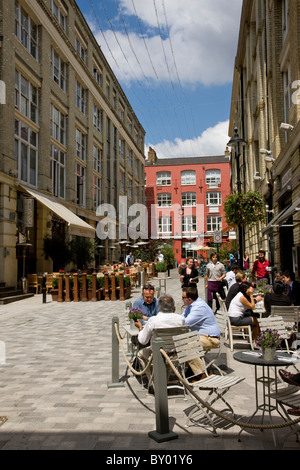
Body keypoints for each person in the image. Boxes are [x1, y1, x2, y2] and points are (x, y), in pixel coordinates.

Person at [134, 294, 185, 383]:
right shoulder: (180, 319)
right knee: (168, 353)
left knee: (140, 354)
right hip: (175, 353)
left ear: (159, 306)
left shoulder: (153, 320)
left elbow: (143, 340)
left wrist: (140, 328)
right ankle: (164, 379)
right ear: (173, 306)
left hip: (157, 354)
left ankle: (153, 381)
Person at [182, 287, 220, 379]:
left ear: (189, 299)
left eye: (183, 297)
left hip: (210, 338)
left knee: (187, 346)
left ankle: (202, 374)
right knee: (182, 342)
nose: (182, 299)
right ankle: (190, 372)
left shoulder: (199, 307)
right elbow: (182, 317)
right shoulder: (190, 305)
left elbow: (185, 323)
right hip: (202, 336)